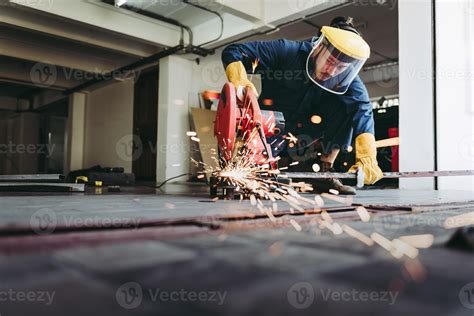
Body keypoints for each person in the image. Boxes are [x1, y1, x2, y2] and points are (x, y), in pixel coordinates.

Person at [221, 16, 383, 195]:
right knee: (253, 171)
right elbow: (234, 51)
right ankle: (253, 168)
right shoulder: (287, 51)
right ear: (320, 46)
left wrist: (368, 157)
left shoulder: (347, 78)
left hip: (309, 132)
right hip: (270, 124)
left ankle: (325, 171)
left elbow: (363, 109)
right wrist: (240, 81)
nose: (332, 71)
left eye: (340, 68)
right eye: (330, 62)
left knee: (349, 108)